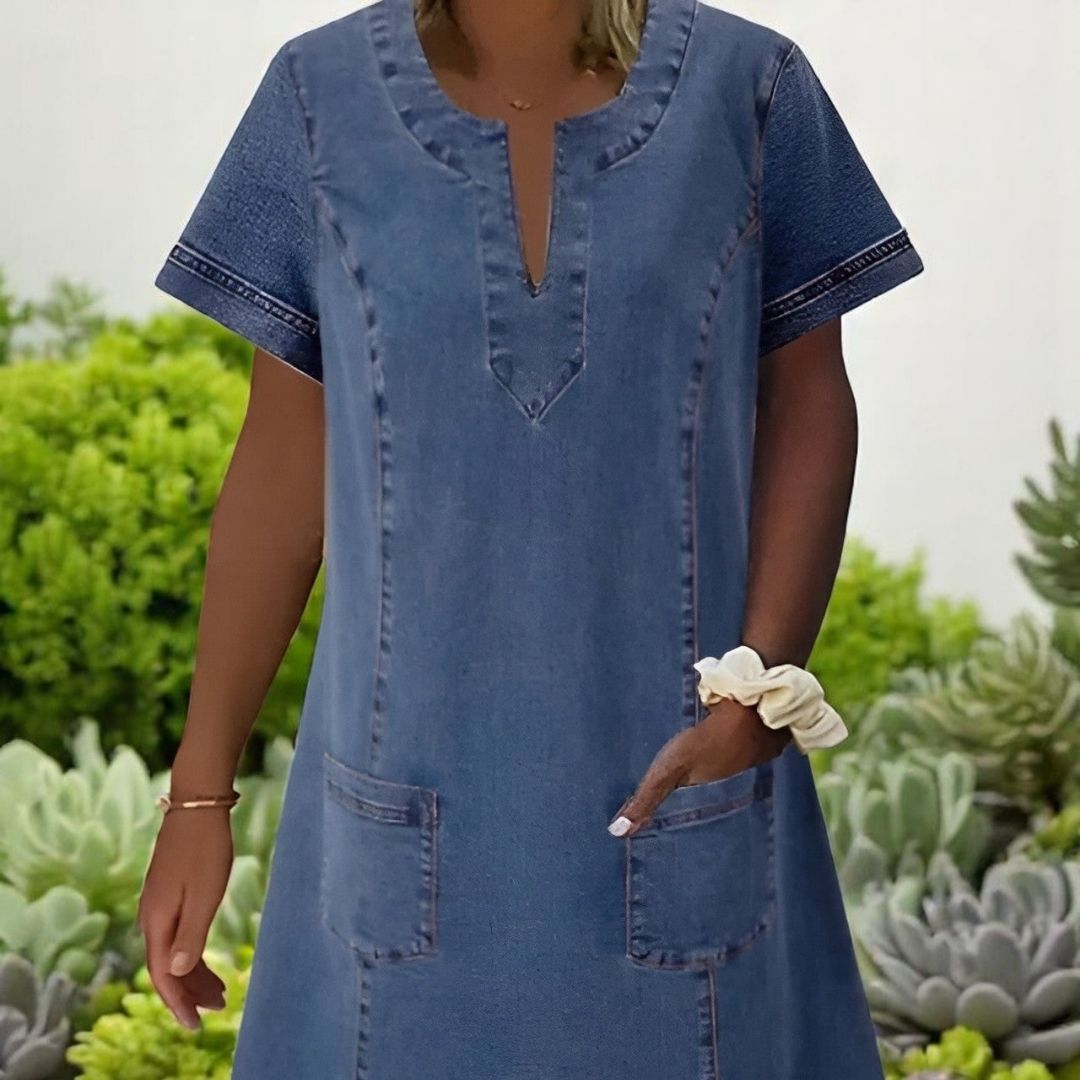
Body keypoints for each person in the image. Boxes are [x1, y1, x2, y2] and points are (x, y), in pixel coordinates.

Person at [139, 0, 925, 1076]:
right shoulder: (318, 99)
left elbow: (810, 403)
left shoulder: (752, 91)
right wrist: (198, 794)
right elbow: (280, 467)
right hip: (404, 802)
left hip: (678, 782)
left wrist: (758, 694)